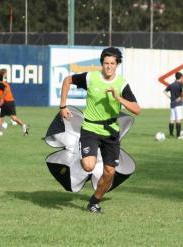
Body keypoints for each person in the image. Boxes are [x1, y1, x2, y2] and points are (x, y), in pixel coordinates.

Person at [59, 47, 141, 213]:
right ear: (101, 64)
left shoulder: (122, 84)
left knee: (110, 173)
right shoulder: (91, 77)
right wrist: (63, 106)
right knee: (88, 166)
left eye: (112, 63)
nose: (109, 66)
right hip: (90, 128)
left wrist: (119, 98)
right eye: (106, 63)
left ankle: (94, 202)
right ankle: (81, 152)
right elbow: (67, 80)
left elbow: (137, 109)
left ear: (117, 64)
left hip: (111, 132)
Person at [0, 69, 29, 137]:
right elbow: (3, 92)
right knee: (13, 117)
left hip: (5, 102)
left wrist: (1, 100)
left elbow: (5, 89)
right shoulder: (5, 83)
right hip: (11, 102)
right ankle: (24, 125)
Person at [164, 72, 183, 138]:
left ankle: (171, 134)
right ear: (181, 77)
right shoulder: (181, 84)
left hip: (172, 103)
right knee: (178, 119)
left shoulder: (171, 84)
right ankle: (178, 135)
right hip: (179, 104)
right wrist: (180, 97)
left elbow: (164, 91)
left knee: (172, 119)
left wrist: (170, 97)